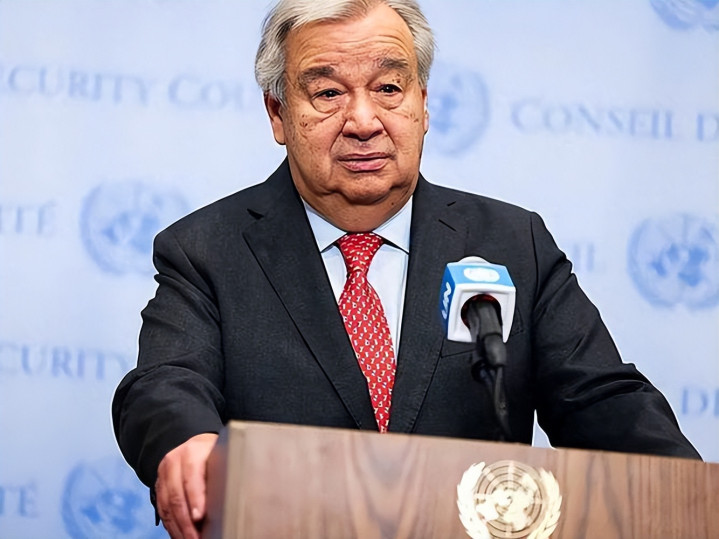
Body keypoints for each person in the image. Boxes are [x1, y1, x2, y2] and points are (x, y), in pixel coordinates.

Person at [112, 0, 701, 537]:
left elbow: (600, 398)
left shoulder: (510, 243)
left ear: (423, 104)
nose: (363, 120)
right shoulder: (207, 249)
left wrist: (691, 496)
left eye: (389, 88)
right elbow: (165, 383)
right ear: (278, 113)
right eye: (328, 93)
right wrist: (187, 440)